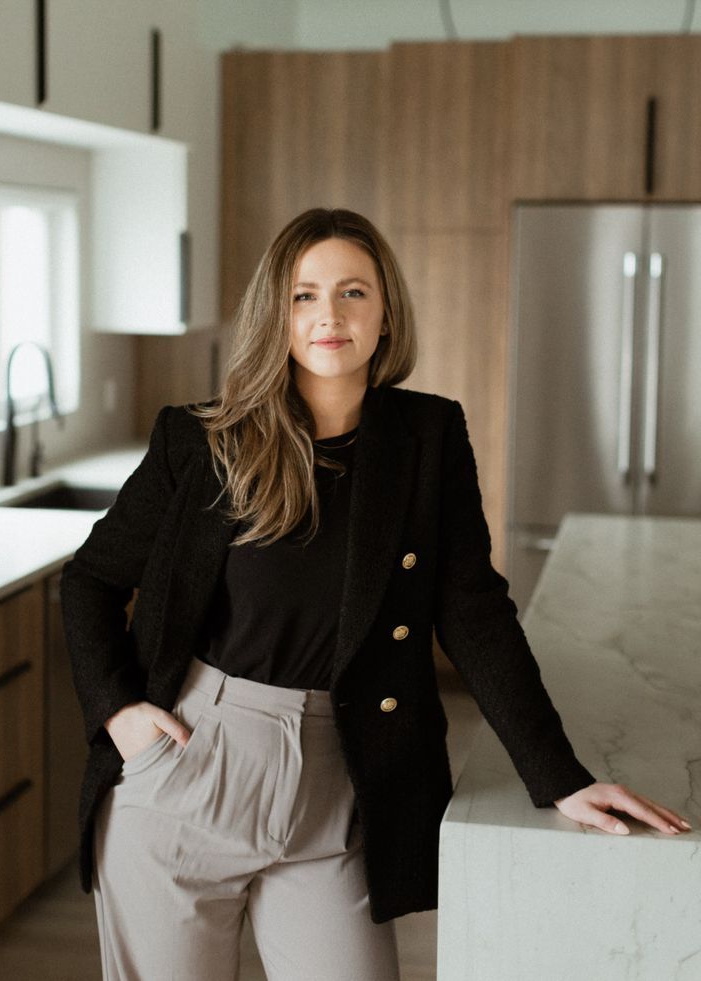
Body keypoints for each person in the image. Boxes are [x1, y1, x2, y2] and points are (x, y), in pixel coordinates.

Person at [60, 207, 691, 981]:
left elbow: (474, 610)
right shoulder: (201, 441)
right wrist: (119, 711)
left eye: (353, 292)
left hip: (343, 779)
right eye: (304, 295)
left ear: (385, 311)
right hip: (189, 772)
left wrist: (560, 774)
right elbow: (90, 580)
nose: (330, 314)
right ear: (276, 314)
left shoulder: (428, 437)